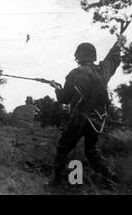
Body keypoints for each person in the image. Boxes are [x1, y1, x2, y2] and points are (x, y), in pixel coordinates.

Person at [48, 35, 125, 188]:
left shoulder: (74, 74)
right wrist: (119, 43)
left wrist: (56, 88)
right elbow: (113, 59)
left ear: (78, 56)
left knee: (63, 147)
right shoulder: (103, 71)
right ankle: (114, 178)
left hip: (79, 119)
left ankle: (56, 181)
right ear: (93, 56)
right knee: (91, 150)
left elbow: (64, 99)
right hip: (97, 120)